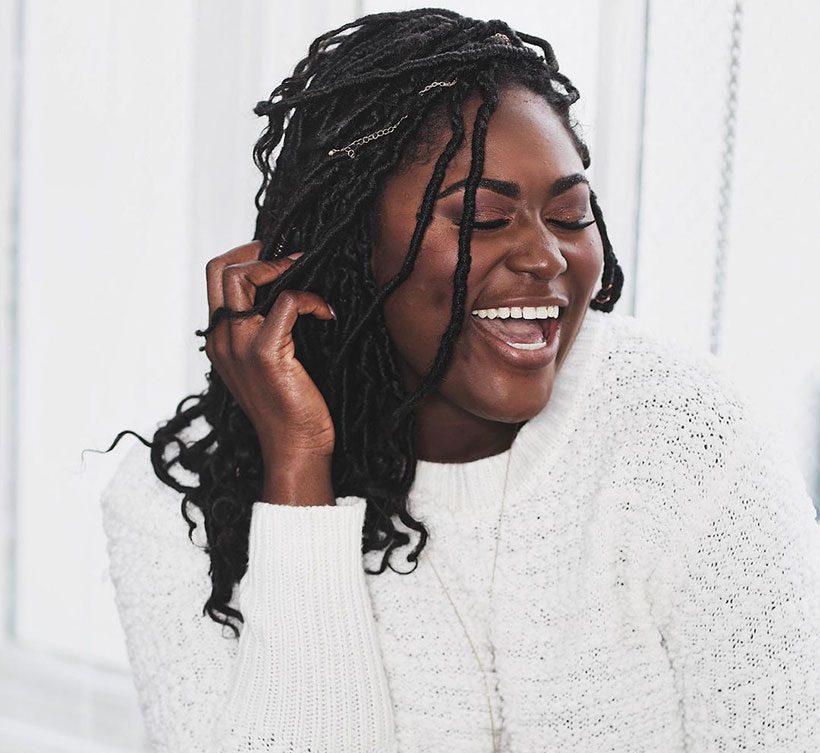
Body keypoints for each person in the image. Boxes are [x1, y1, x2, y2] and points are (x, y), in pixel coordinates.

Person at [99, 8, 820, 753]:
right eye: (482, 218)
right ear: (346, 245)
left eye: (571, 215)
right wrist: (299, 466)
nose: (546, 257)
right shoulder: (177, 503)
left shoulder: (686, 440)